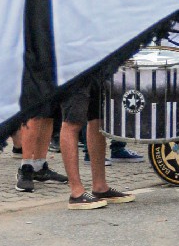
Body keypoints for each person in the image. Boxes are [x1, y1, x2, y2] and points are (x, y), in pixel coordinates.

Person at [57, 75, 134, 210]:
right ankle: (76, 192)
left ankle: (100, 187)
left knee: (97, 120)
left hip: (94, 64)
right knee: (72, 122)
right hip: (73, 66)